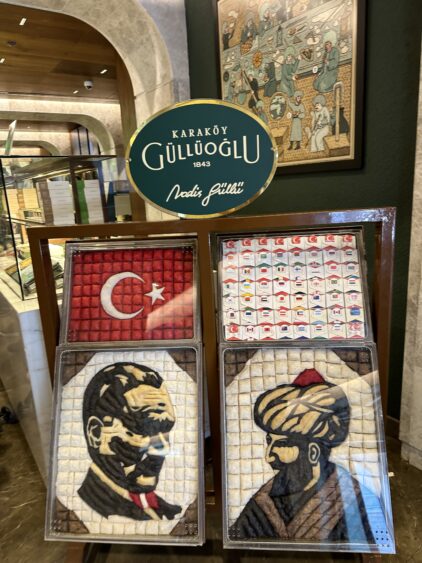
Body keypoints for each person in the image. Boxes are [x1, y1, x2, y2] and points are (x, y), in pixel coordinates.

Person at [230, 368, 387, 543]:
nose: (269, 456)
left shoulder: (356, 501)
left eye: (282, 444)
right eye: (269, 441)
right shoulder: (263, 503)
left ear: (313, 452)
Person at [78, 362, 182, 521]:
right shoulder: (97, 505)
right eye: (144, 429)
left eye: (165, 429)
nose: (163, 448)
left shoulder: (164, 510)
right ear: (96, 433)